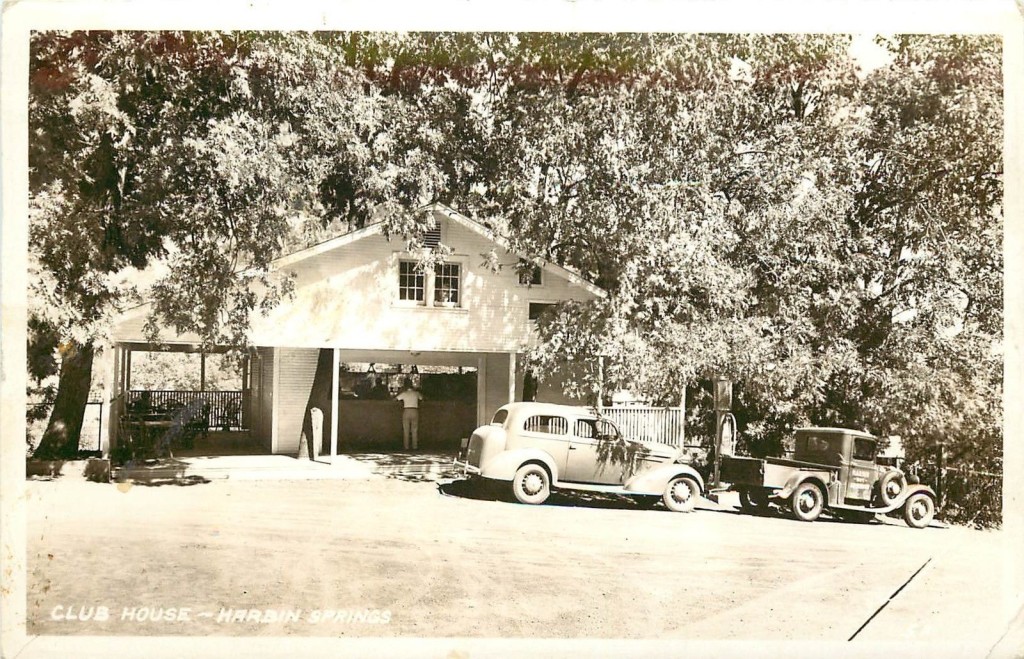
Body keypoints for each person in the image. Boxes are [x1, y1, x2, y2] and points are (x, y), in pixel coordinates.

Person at [395, 377, 423, 450]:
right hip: (415, 410)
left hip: (406, 410)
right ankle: (415, 447)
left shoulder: (404, 393)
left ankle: (406, 447)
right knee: (414, 429)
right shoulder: (416, 393)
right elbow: (422, 398)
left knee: (406, 429)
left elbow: (396, 399)